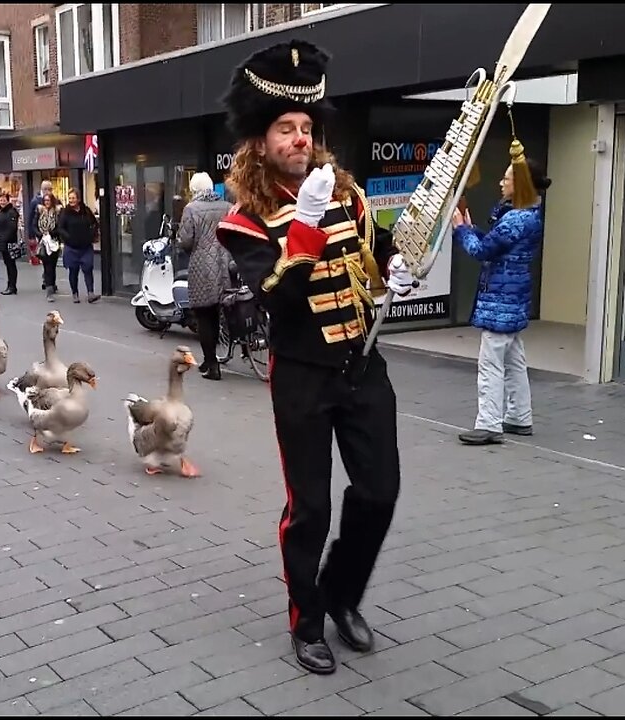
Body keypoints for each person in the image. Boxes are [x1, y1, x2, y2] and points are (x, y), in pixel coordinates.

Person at [214, 40, 416, 675]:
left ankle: (342, 594)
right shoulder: (240, 222)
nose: (299, 139)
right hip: (300, 373)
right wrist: (301, 222)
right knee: (311, 508)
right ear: (260, 140)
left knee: (380, 491)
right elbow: (279, 297)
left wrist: (399, 269)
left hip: (364, 363)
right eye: (285, 129)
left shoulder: (349, 196)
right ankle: (306, 620)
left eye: (306, 128)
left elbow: (372, 263)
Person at [451, 134, 550, 446]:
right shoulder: (528, 215)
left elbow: (481, 251)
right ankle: (519, 416)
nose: (500, 182)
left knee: (491, 362)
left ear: (518, 183)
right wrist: (471, 228)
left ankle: (489, 423)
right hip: (514, 298)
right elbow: (495, 246)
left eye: (507, 178)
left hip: (500, 299)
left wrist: (461, 230)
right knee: (513, 359)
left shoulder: (514, 220)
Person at [177, 172, 233, 379]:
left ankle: (212, 365)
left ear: (194, 190)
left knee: (204, 317)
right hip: (225, 265)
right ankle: (212, 360)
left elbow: (186, 241)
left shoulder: (191, 209)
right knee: (217, 314)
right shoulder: (226, 206)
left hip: (202, 268)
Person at [55, 188, 100, 303]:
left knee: (88, 268)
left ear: (78, 199)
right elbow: (60, 228)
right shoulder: (65, 212)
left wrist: (91, 235)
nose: (71, 200)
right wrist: (68, 237)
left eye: (73, 198)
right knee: (73, 271)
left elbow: (94, 224)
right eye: (70, 198)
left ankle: (90, 293)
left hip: (85, 246)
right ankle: (75, 293)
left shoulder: (86, 211)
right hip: (72, 247)